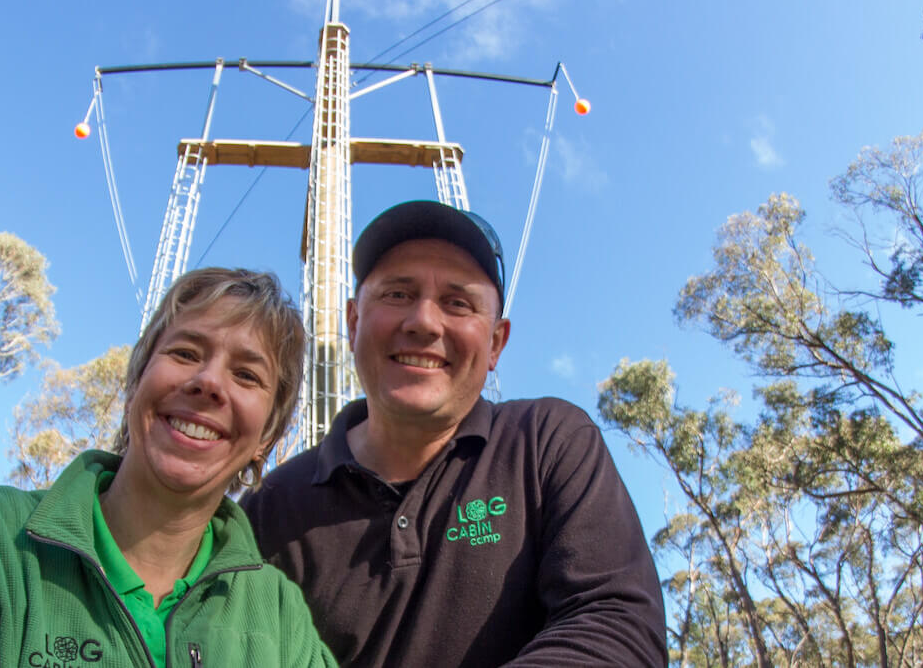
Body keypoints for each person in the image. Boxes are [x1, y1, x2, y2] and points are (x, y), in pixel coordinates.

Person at [242, 200, 668, 667]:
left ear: (495, 343)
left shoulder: (548, 444)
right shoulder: (273, 508)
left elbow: (618, 626)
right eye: (398, 294)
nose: (423, 322)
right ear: (354, 322)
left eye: (457, 303)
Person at [0, 267, 337, 668]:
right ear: (136, 382)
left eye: (246, 375)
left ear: (267, 438)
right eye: (186, 353)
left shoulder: (279, 615)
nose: (209, 382)